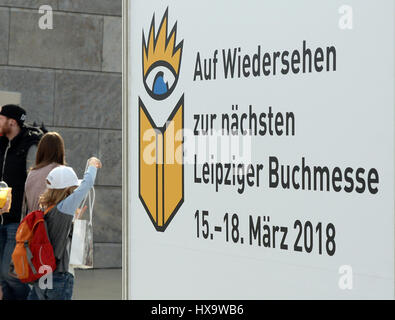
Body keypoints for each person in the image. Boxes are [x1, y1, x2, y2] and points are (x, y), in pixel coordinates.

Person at [27, 157, 102, 300]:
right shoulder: (64, 208)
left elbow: (55, 235)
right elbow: (86, 185)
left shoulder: (44, 209)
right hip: (60, 275)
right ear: (68, 189)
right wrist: (92, 165)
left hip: (42, 274)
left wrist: (72, 221)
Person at [0, 104, 43, 300]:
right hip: (1, 217)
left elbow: (35, 183)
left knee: (11, 275)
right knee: (2, 278)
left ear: (12, 121)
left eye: (1, 118)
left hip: (18, 220)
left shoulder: (29, 145)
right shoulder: (2, 143)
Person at [25, 132, 66, 213]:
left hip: (32, 222)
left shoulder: (32, 173)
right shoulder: (60, 171)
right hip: (49, 223)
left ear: (40, 150)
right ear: (60, 150)